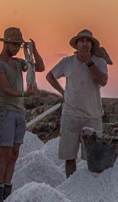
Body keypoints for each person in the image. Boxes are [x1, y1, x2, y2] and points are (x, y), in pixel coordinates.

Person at [0, 27, 45, 202]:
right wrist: (24, 93)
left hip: (19, 112)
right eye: (14, 45)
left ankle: (6, 192)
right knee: (4, 153)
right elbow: (4, 88)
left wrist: (33, 50)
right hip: (5, 110)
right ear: (5, 43)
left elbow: (40, 67)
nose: (17, 48)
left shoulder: (19, 63)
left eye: (19, 45)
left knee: (14, 154)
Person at [45, 29, 109, 177]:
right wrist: (62, 92)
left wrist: (89, 62)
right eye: (81, 41)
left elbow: (103, 81)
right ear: (76, 45)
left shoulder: (100, 62)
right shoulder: (67, 62)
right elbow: (50, 76)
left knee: (93, 157)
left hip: (92, 116)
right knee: (69, 156)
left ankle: (91, 187)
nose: (84, 43)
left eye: (88, 41)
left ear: (92, 45)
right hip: (71, 115)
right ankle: (70, 184)